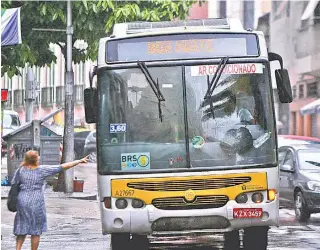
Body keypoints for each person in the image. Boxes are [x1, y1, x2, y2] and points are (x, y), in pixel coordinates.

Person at [11, 150, 89, 250]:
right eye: (37, 156)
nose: (39, 157)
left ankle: (18, 248)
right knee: (36, 230)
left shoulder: (20, 170)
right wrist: (78, 161)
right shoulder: (41, 170)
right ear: (35, 159)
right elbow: (62, 167)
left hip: (22, 201)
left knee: (21, 227)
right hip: (36, 202)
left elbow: (14, 183)